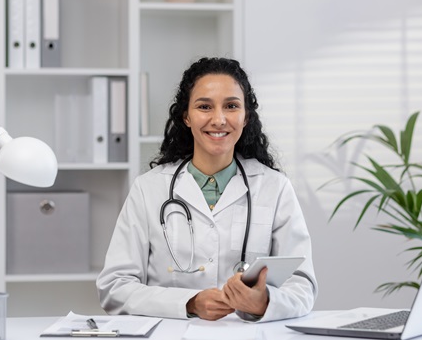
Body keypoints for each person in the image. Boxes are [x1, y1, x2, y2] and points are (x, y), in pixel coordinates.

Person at [96, 57, 317, 322]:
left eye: (231, 106)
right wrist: (188, 303)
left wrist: (264, 302)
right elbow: (115, 286)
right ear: (186, 116)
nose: (219, 119)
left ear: (246, 116)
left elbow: (303, 285)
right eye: (204, 106)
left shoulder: (274, 188)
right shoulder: (149, 188)